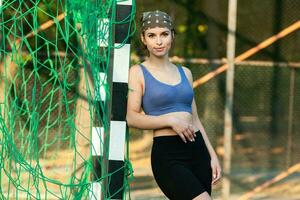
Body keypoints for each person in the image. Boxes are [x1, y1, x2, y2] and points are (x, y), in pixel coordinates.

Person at [126, 10, 221, 200]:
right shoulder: (137, 72)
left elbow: (195, 119)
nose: (159, 41)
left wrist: (213, 156)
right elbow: (131, 117)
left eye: (164, 34)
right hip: (169, 155)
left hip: (198, 150)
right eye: (152, 35)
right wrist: (170, 120)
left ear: (172, 36)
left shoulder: (185, 72)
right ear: (144, 39)